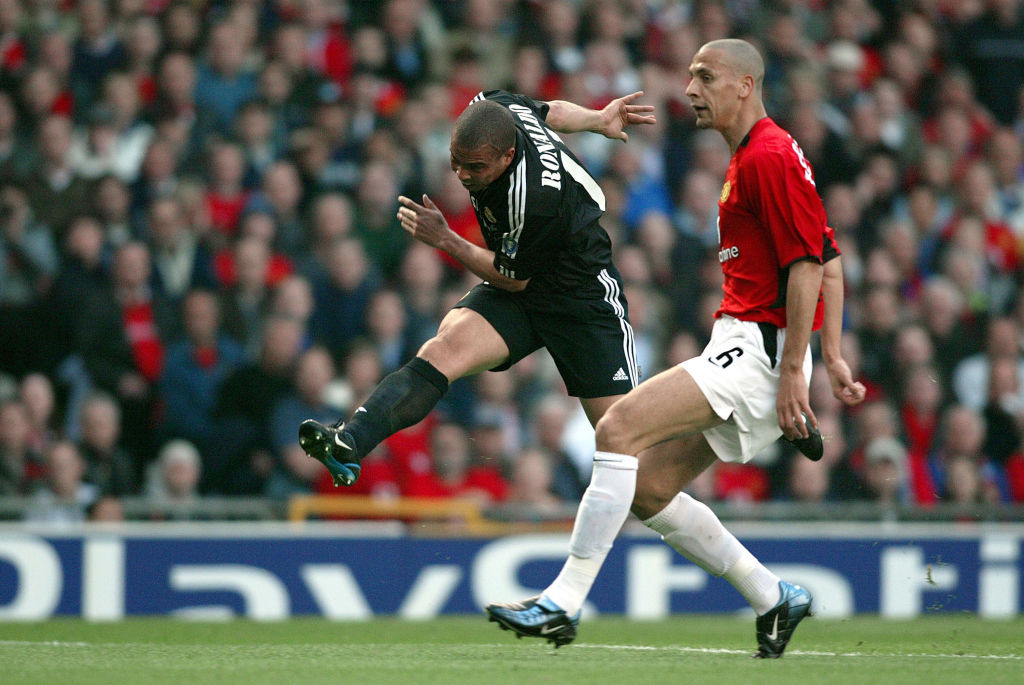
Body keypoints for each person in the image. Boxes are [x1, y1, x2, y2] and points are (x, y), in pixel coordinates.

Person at [485, 39, 865, 658]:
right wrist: (836, 353)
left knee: (619, 428)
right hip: (750, 346)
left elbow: (806, 265)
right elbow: (831, 261)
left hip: (757, 350)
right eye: (689, 75)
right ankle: (774, 597)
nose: (690, 89)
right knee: (649, 487)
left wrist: (798, 367)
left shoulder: (767, 154)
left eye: (705, 76)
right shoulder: (757, 157)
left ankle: (563, 601)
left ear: (745, 85)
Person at [297, 89, 655, 491]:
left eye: (476, 166)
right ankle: (350, 441)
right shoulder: (494, 108)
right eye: (456, 161)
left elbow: (513, 276)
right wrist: (595, 119)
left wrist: (448, 240)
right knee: (441, 350)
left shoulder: (533, 196)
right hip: (523, 287)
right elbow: (547, 111)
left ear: (506, 156)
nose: (463, 175)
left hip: (580, 296)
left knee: (626, 442)